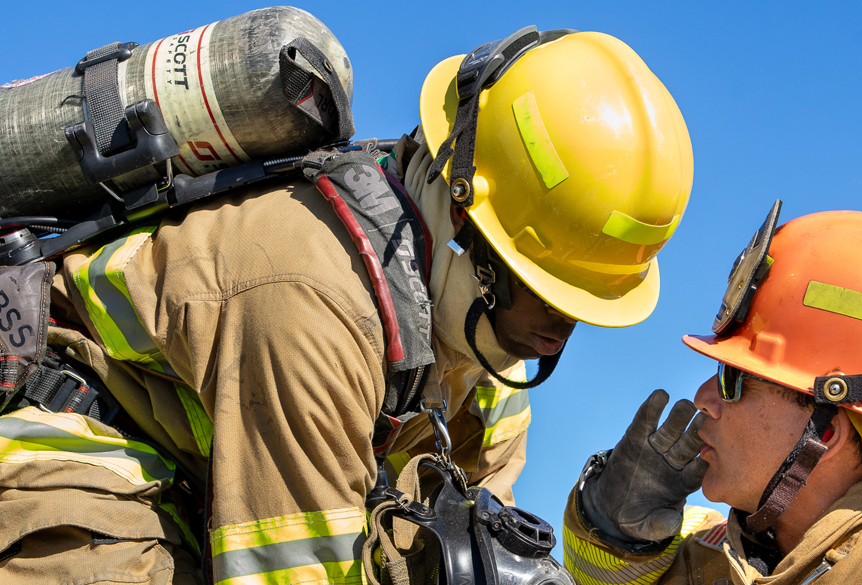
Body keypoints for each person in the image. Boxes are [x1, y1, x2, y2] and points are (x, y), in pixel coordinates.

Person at [0, 27, 693, 584]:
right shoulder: (310, 298)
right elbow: (287, 570)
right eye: (537, 287)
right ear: (462, 216)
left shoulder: (491, 358)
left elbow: (480, 532)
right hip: (80, 477)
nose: (555, 329)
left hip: (196, 485)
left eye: (578, 304)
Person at [564, 204, 862, 585]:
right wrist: (617, 529)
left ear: (826, 429)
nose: (704, 398)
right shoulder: (739, 553)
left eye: (733, 379)